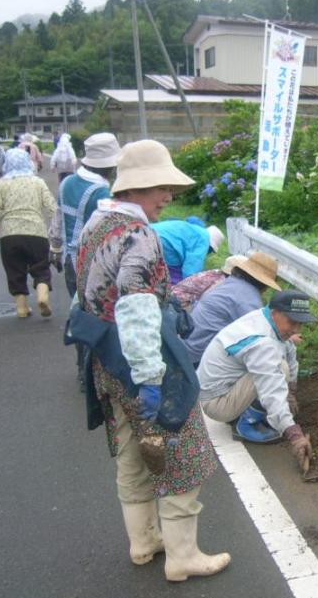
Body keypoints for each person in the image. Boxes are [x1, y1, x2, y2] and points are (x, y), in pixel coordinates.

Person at [73, 139, 230, 582]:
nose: (168, 197)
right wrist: (151, 378)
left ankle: (143, 542)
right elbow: (137, 307)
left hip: (104, 359)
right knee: (182, 452)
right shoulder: (139, 235)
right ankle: (183, 556)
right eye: (162, 188)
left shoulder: (95, 225)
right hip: (142, 360)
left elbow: (82, 293)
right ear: (138, 188)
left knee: (130, 450)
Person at [197, 290, 316, 468]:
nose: (297, 329)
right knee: (279, 370)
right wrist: (294, 434)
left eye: (301, 323)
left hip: (224, 386)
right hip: (216, 402)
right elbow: (271, 389)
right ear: (275, 312)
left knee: (281, 365)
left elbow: (290, 351)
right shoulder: (261, 342)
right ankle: (245, 424)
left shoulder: (265, 319)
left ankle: (244, 412)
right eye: (292, 322)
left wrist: (291, 392)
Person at [0, 148, 56, 318]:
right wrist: (57, 230)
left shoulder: (1, 184)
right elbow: (52, 207)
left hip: (9, 235)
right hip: (37, 232)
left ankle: (22, 308)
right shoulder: (38, 182)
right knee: (41, 267)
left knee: (15, 270)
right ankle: (42, 296)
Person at [48, 132, 120, 298]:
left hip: (68, 260)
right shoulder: (101, 192)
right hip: (91, 265)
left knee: (77, 313)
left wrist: (55, 248)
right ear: (111, 166)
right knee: (93, 317)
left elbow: (57, 219)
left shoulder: (66, 182)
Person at [184, 251, 281, 365]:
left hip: (188, 346)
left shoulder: (229, 284)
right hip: (199, 357)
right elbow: (261, 333)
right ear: (264, 284)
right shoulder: (248, 298)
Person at [150, 218, 226, 285]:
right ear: (210, 246)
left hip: (148, 230)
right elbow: (190, 272)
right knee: (177, 275)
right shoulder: (204, 239)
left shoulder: (195, 230)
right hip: (163, 242)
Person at [171, 254, 247, 311]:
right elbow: (206, 298)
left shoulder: (216, 273)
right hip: (180, 302)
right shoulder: (221, 281)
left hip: (175, 295)